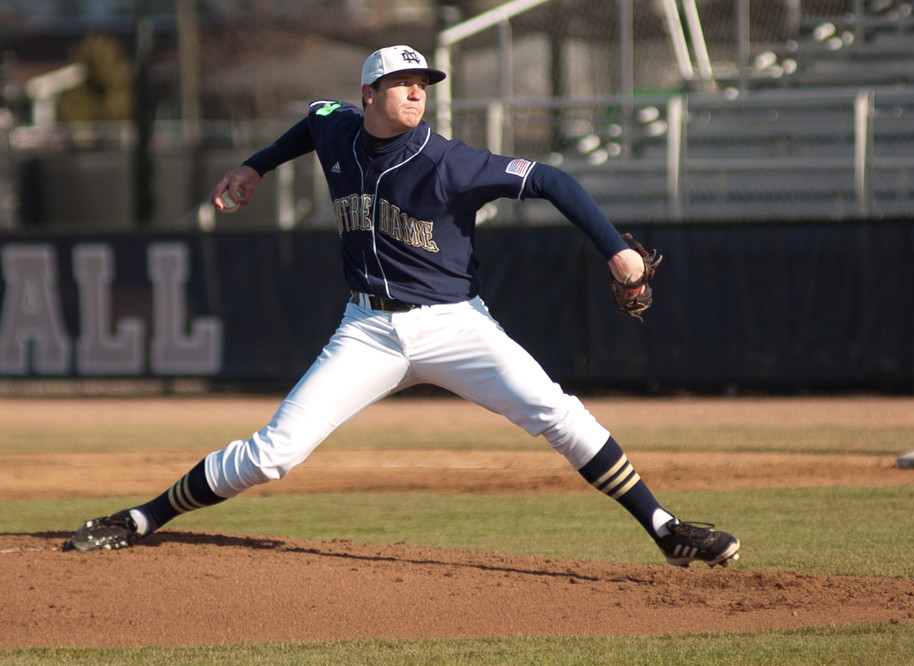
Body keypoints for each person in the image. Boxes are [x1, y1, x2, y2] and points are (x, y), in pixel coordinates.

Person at [64, 45, 740, 568]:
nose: (418, 91)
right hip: (367, 330)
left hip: (454, 324)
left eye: (424, 84)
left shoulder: (450, 162)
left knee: (556, 412)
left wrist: (614, 251)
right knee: (273, 455)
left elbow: (551, 179)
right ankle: (141, 518)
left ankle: (666, 529)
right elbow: (311, 122)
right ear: (370, 94)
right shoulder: (339, 127)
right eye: (402, 83)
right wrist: (255, 167)